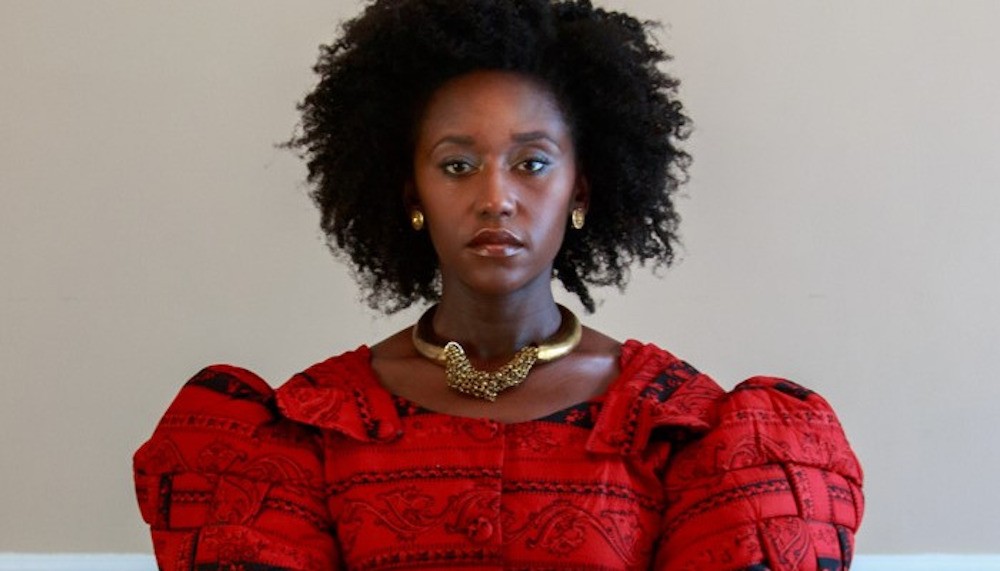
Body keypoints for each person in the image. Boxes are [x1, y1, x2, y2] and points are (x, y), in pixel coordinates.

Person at [133, 0, 863, 569]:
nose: (495, 198)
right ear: (411, 191)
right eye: (456, 164)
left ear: (582, 189)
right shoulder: (309, 429)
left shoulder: (685, 428)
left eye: (532, 162)